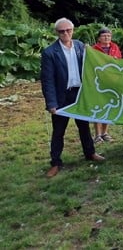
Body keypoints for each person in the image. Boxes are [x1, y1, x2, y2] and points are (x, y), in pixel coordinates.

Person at [41, 17, 105, 178]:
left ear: (73, 30)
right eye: (61, 31)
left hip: (79, 93)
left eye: (68, 30)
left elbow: (93, 64)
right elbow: (47, 80)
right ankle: (55, 162)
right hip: (62, 96)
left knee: (84, 126)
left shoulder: (80, 46)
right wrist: (51, 103)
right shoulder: (49, 52)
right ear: (57, 33)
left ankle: (90, 153)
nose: (65, 33)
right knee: (58, 131)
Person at [92, 27, 122, 143]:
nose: (107, 38)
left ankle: (105, 132)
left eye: (109, 36)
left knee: (109, 106)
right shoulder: (94, 49)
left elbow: (120, 60)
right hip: (98, 81)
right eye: (104, 36)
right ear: (99, 38)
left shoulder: (115, 47)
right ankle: (97, 134)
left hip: (112, 82)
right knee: (98, 106)